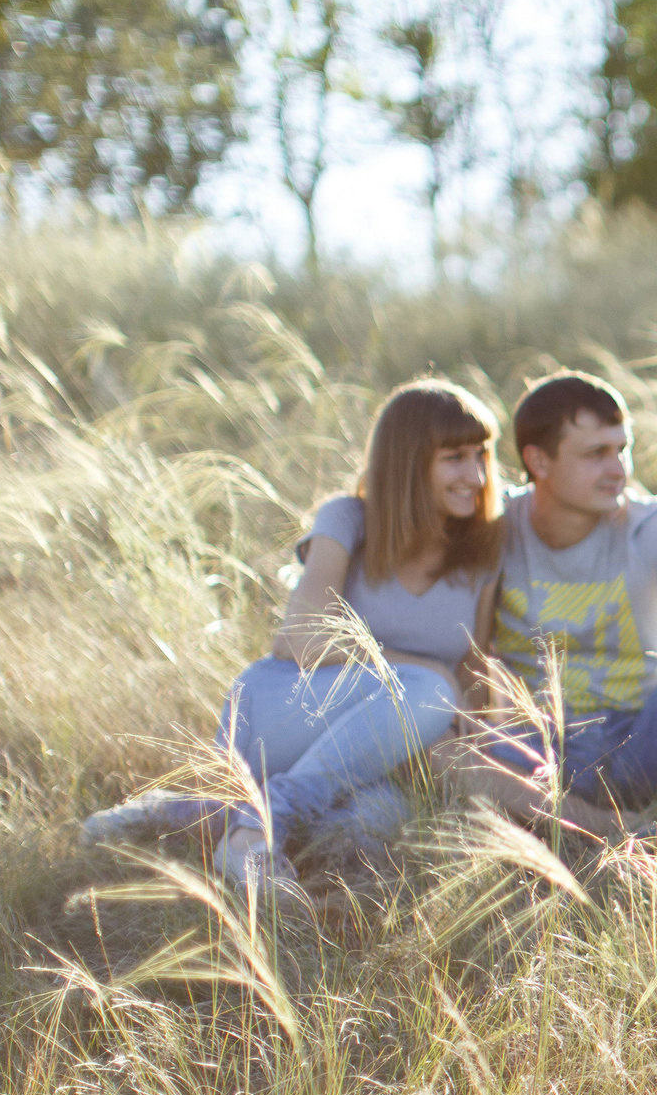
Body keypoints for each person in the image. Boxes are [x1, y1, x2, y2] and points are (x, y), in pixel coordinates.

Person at [81, 379, 505, 884]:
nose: (476, 475)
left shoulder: (483, 551)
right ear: (409, 462)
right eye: (455, 458)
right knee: (431, 690)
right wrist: (426, 674)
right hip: (286, 710)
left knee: (373, 822)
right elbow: (300, 639)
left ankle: (190, 813)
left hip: (377, 750)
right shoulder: (348, 519)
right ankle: (262, 823)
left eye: (481, 455)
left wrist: (456, 737)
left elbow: (473, 673)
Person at [450, 372, 657, 844]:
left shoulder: (648, 526)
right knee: (439, 751)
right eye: (596, 454)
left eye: (622, 449)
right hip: (538, 754)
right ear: (538, 461)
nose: (618, 469)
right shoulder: (497, 525)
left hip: (649, 742)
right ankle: (610, 831)